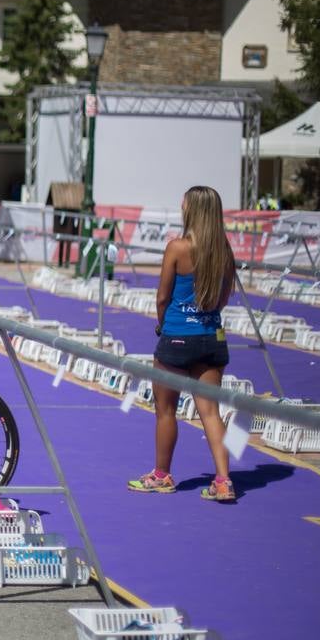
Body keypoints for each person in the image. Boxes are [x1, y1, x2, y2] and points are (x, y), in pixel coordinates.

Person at [129, 186, 238, 502]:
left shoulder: (177, 248)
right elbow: (224, 297)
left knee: (165, 410)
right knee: (211, 412)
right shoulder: (224, 251)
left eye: (184, 202)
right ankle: (223, 480)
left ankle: (162, 474)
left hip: (177, 336)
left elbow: (163, 296)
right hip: (211, 337)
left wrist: (164, 325)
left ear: (191, 210)